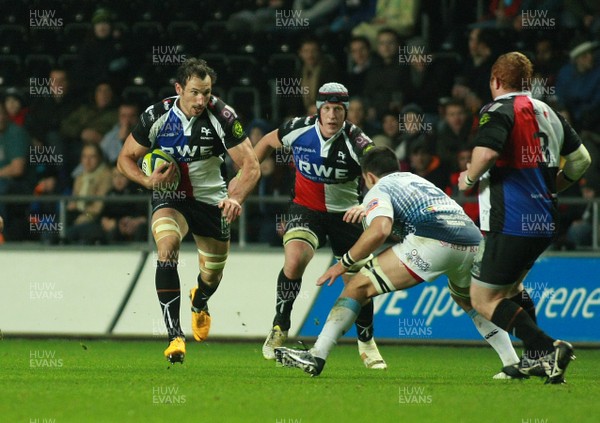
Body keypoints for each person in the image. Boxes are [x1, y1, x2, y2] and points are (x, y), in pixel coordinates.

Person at [274, 146, 521, 378]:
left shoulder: (379, 189)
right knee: (469, 301)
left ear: (368, 176)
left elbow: (380, 229)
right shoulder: (416, 180)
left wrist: (343, 264)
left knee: (357, 286)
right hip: (473, 241)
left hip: (433, 240)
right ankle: (512, 363)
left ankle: (317, 356)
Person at [457, 52, 591, 383]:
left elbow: (487, 154)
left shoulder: (499, 109)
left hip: (512, 221)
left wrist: (468, 179)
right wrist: (550, 186)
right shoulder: (550, 113)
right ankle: (535, 360)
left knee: (483, 298)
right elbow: (581, 160)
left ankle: (549, 347)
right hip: (545, 220)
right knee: (512, 288)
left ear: (495, 81)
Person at [117, 58, 260, 364]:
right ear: (179, 88)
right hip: (171, 198)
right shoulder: (156, 115)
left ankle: (200, 300)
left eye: (206, 93)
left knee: (212, 275)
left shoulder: (223, 116)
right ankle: (174, 336)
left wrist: (235, 198)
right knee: (167, 248)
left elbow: (250, 166)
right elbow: (125, 158)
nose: (201, 100)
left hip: (212, 202)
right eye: (195, 92)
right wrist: (147, 180)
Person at [253, 82, 387, 370]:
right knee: (295, 258)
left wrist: (367, 205)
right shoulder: (297, 129)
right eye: (327, 109)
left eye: (338, 109)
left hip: (347, 215)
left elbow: (382, 174)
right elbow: (265, 142)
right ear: (318, 111)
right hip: (306, 209)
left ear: (346, 112)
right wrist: (248, 170)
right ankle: (280, 326)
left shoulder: (357, 142)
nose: (332, 116)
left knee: (359, 280)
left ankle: (366, 341)